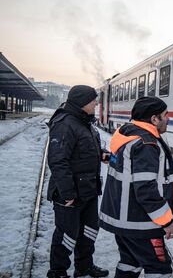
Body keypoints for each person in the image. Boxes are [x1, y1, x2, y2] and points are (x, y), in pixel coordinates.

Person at [99, 96, 173, 277]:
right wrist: (166, 221)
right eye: (165, 115)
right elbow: (146, 189)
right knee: (159, 268)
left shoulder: (128, 135)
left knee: (130, 263)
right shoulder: (146, 144)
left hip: (125, 220)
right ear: (154, 119)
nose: (168, 118)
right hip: (140, 223)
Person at [46, 85, 109, 278]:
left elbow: (85, 150)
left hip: (88, 190)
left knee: (89, 230)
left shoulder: (85, 123)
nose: (96, 104)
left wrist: (102, 154)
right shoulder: (65, 123)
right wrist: (68, 193)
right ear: (82, 102)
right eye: (93, 101)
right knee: (67, 233)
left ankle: (84, 266)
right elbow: (58, 160)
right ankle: (58, 271)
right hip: (71, 193)